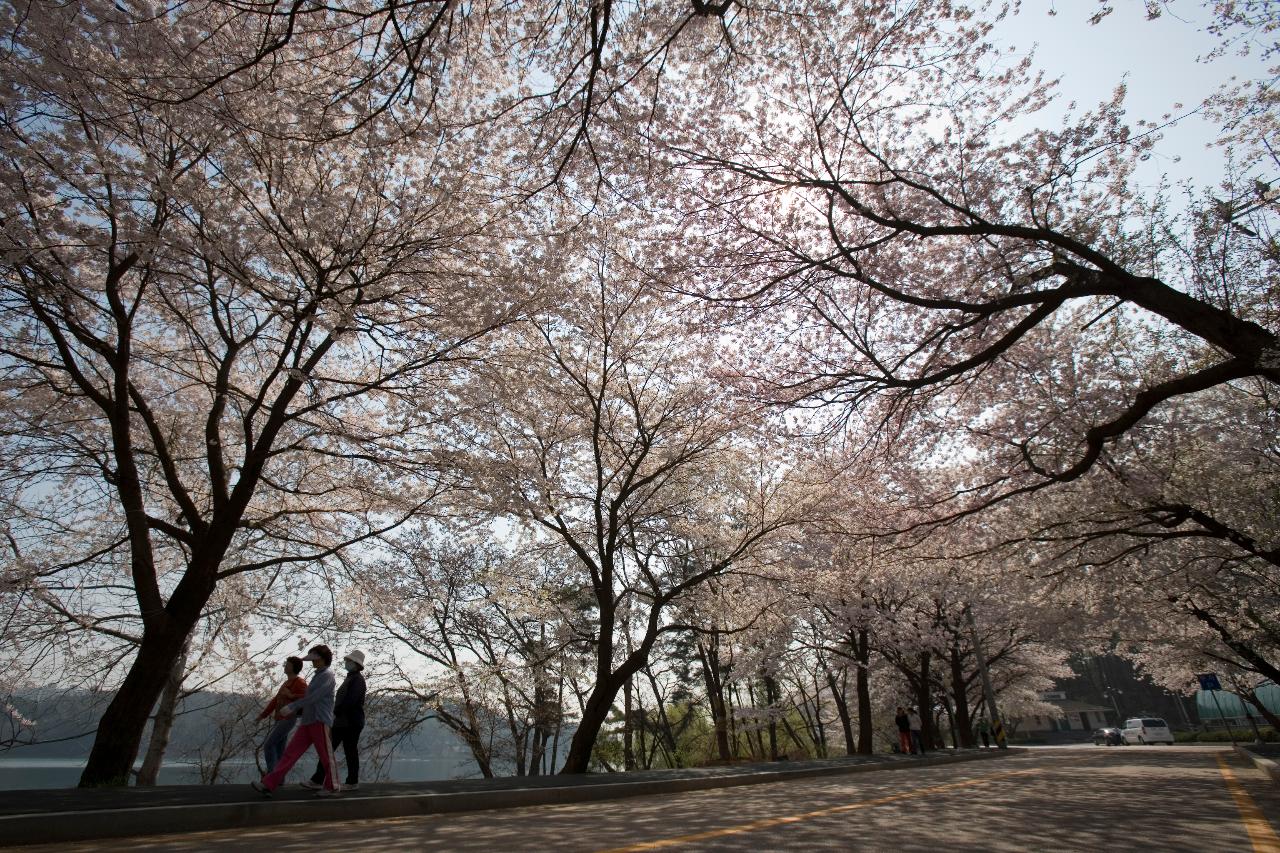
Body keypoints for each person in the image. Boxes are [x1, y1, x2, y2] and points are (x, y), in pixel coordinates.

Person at [251, 644, 339, 797]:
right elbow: (307, 697)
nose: (312, 663)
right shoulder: (318, 675)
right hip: (307, 722)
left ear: (323, 659)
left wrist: (293, 705)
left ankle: (332, 786)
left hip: (320, 721)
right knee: (290, 754)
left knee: (326, 756)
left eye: (315, 659)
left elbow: (314, 697)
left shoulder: (327, 675)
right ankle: (269, 783)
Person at [306, 650, 366, 791]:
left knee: (346, 750)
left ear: (356, 664)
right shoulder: (351, 678)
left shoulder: (357, 680)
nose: (346, 663)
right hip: (343, 721)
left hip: (350, 722)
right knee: (332, 749)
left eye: (349, 661)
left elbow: (351, 700)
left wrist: (337, 711)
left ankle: (350, 781)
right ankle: (319, 779)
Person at [257, 655, 307, 772]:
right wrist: (263, 715)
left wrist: (291, 696)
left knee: (269, 745)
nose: (285, 666)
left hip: (288, 718)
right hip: (279, 719)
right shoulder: (286, 683)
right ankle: (279, 779)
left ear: (293, 667)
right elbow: (276, 700)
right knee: (279, 750)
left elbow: (307, 697)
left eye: (287, 665)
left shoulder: (299, 682)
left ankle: (271, 776)